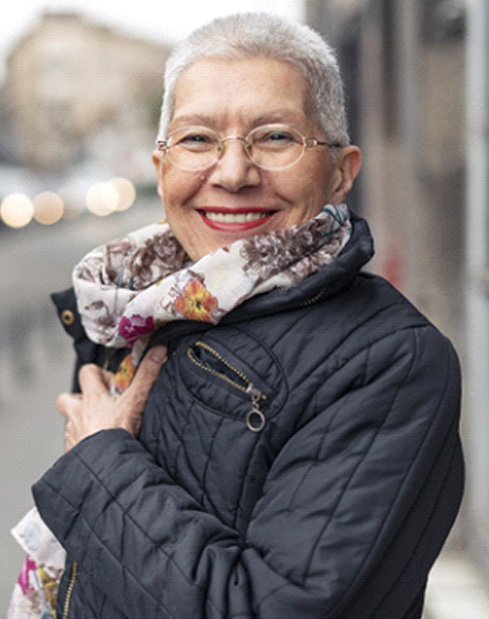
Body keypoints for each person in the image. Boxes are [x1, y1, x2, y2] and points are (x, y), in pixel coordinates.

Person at [26, 12, 463, 618]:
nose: (232, 173)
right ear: (162, 168)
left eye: (276, 137)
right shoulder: (133, 304)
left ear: (342, 172)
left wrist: (100, 459)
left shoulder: (390, 361)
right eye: (198, 139)